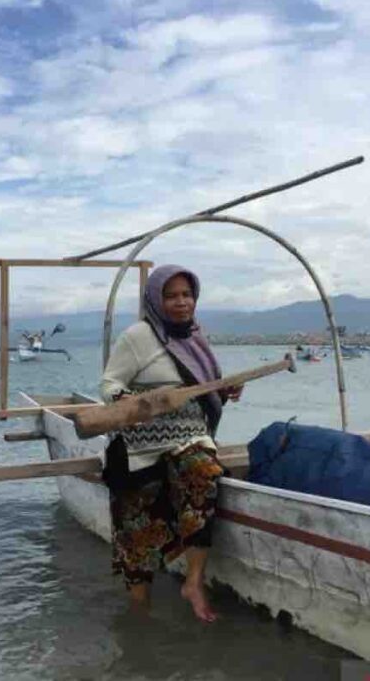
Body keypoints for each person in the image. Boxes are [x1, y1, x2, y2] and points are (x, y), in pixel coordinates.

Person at [100, 264, 242, 623]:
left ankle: (193, 582)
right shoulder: (137, 337)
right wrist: (144, 401)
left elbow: (207, 387)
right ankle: (140, 618)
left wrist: (225, 389)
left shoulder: (195, 336)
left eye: (187, 295)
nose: (181, 303)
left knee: (204, 473)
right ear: (155, 300)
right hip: (141, 445)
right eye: (171, 296)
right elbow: (109, 387)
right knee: (137, 535)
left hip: (188, 438)